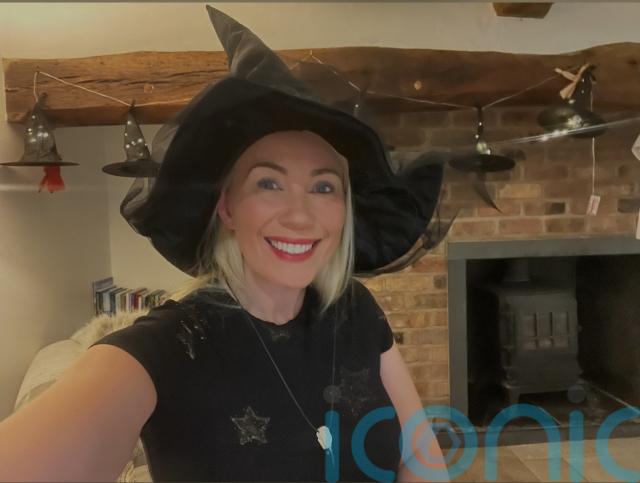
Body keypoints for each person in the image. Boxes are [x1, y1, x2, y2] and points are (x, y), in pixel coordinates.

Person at [0, 6, 450, 482]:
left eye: (324, 187)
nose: (301, 215)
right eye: (268, 183)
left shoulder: (355, 309)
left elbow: (420, 458)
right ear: (227, 208)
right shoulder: (167, 345)